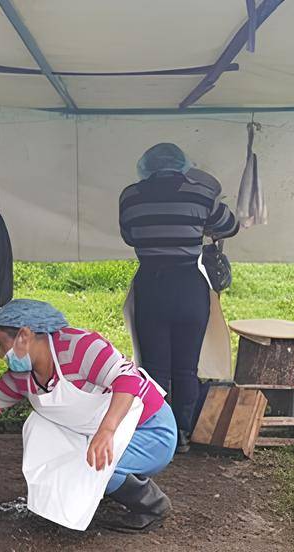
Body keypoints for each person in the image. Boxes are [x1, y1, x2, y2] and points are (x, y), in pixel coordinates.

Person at [0, 299, 177, 532]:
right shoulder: (22, 376)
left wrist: (107, 431)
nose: (0, 354)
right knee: (40, 428)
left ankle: (152, 505)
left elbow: (128, 379)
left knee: (90, 466)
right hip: (97, 432)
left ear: (24, 336)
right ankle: (105, 488)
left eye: (1, 344)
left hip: (151, 430)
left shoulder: (80, 347)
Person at [119, 143, 239, 453]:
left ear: (146, 166)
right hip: (189, 286)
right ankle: (183, 432)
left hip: (151, 286)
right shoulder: (201, 194)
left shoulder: (130, 197)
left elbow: (129, 235)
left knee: (154, 368)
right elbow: (230, 226)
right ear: (182, 166)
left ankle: (158, 433)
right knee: (186, 368)